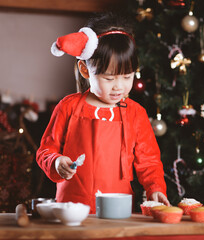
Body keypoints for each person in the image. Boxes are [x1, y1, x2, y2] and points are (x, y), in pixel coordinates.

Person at [36, 13, 170, 213]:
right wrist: (56, 162)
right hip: (71, 208)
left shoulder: (136, 113)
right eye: (109, 78)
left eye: (127, 77)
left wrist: (155, 188)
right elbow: (45, 151)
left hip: (118, 209)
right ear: (84, 70)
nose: (119, 87)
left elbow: (149, 161)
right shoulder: (68, 107)